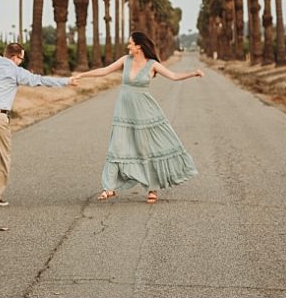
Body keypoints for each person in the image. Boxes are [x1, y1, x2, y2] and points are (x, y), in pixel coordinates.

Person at [69, 30, 202, 204]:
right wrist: (82, 75)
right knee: (116, 146)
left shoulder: (152, 64)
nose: (128, 45)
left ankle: (152, 188)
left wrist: (194, 73)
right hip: (124, 112)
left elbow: (174, 76)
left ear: (138, 46)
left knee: (146, 149)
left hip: (145, 112)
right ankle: (109, 188)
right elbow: (104, 71)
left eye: (130, 43)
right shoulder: (126, 60)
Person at [0, 42, 74, 210]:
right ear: (14, 56)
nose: (21, 62)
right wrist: (65, 81)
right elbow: (39, 81)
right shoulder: (16, 71)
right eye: (21, 59)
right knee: (4, 156)